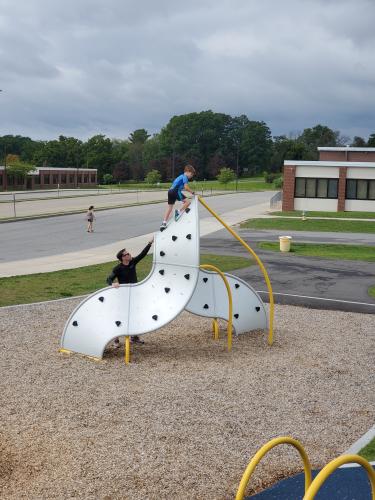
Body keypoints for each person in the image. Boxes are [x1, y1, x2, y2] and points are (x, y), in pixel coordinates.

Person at [106, 237, 154, 347]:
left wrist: (149, 243)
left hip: (134, 294)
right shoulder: (117, 268)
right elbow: (108, 279)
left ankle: (134, 337)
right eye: (127, 254)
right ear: (122, 258)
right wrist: (112, 284)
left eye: (128, 253)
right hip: (123, 295)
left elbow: (142, 254)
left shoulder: (132, 262)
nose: (129, 254)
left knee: (135, 315)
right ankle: (116, 340)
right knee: (120, 316)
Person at [160, 164, 196, 231]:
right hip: (175, 191)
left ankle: (164, 223)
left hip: (170, 191)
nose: (191, 176)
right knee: (188, 202)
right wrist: (192, 192)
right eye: (191, 174)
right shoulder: (185, 177)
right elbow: (186, 187)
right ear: (187, 171)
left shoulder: (180, 176)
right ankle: (178, 212)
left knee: (170, 208)